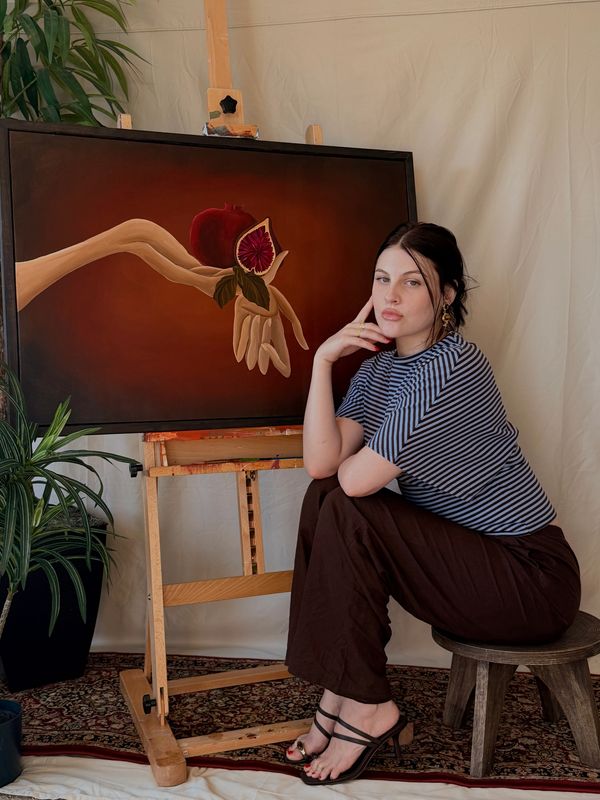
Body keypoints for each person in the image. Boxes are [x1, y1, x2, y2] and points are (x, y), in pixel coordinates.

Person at [283, 222, 581, 786]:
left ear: (446, 294)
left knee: (347, 504)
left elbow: (355, 481)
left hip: (531, 577)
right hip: (472, 564)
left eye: (412, 282)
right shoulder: (379, 369)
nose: (390, 296)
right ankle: (345, 690)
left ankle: (367, 705)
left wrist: (351, 461)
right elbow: (322, 466)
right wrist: (323, 361)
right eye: (381, 279)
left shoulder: (451, 367)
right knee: (325, 494)